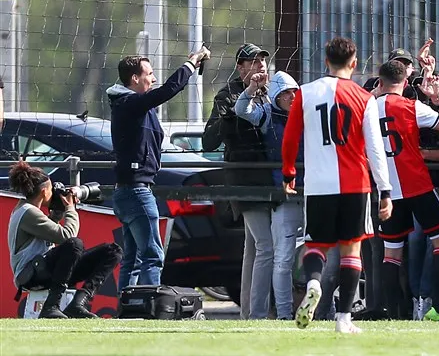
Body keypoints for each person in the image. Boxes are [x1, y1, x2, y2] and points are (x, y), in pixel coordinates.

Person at [281, 37, 393, 334]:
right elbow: (375, 148)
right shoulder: (365, 98)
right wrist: (385, 190)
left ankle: (314, 283)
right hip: (355, 185)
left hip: (319, 185)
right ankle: (344, 319)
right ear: (354, 64)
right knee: (351, 251)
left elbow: (290, 137)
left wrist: (288, 172)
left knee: (316, 246)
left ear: (326, 61)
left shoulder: (305, 93)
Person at [107, 46, 210, 294]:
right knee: (152, 256)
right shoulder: (130, 103)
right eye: (150, 74)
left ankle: (127, 308)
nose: (153, 79)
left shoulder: (133, 105)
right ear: (135, 78)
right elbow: (167, 90)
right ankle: (148, 306)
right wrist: (191, 64)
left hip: (130, 191)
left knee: (132, 260)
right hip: (136, 192)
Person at [372, 60, 439, 322]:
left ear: (380, 82)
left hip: (387, 190)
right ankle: (437, 308)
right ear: (405, 82)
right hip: (416, 184)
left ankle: (394, 314)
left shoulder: (368, 108)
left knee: (391, 253)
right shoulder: (411, 106)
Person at [204, 43, 276, 319]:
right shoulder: (228, 95)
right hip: (245, 178)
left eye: (262, 60)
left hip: (268, 177)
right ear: (240, 67)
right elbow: (209, 140)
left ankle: (249, 311)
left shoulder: (270, 92)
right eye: (254, 61)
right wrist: (232, 114)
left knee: (254, 248)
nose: (260, 65)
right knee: (264, 246)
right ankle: (258, 313)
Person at [7, 161, 122, 318]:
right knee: (74, 244)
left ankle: (79, 302)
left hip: (43, 269)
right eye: (52, 189)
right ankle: (51, 306)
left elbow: (45, 235)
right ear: (44, 192)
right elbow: (67, 236)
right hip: (29, 276)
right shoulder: (27, 212)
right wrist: (70, 209)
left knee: (113, 251)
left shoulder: (29, 210)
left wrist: (56, 214)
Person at [235, 69, 302, 320]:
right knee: (282, 256)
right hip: (285, 194)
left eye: (294, 92)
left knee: (323, 253)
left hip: (313, 191)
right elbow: (242, 110)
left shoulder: (307, 112)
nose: (292, 97)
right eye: (286, 93)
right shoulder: (266, 115)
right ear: (276, 96)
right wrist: (252, 89)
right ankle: (284, 314)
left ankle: (326, 310)